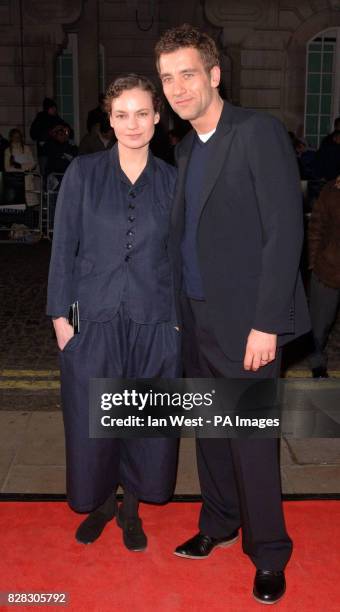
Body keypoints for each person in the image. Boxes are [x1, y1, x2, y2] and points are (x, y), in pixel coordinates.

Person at [155, 24, 310, 604]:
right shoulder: (186, 148)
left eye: (187, 74)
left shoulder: (257, 132)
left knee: (250, 440)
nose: (177, 87)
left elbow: (283, 232)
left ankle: (269, 552)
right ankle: (219, 523)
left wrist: (268, 322)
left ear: (214, 75)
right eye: (168, 78)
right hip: (195, 320)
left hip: (247, 324)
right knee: (212, 436)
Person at [46, 74, 179, 552]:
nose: (132, 123)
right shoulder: (83, 172)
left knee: (143, 421)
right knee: (92, 418)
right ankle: (102, 502)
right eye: (121, 114)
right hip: (94, 317)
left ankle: (133, 508)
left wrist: (180, 322)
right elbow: (64, 247)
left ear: (157, 117)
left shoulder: (172, 179)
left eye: (142, 113)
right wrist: (60, 318)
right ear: (110, 119)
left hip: (154, 317)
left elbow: (182, 255)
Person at [308, 176, 340, 378]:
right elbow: (316, 228)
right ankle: (317, 362)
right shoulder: (331, 192)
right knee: (320, 324)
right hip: (328, 269)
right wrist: (313, 263)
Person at [30, 98, 74, 174]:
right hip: (45, 153)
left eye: (55, 108)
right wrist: (52, 131)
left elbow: (69, 133)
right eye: (52, 108)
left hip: (57, 152)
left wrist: (66, 131)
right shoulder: (40, 119)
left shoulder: (57, 119)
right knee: (45, 176)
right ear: (48, 109)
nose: (55, 110)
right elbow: (34, 134)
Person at [4, 128, 37, 206]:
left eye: (18, 136)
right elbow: (7, 168)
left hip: (27, 179)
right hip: (15, 180)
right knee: (17, 205)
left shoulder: (27, 148)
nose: (17, 138)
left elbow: (33, 163)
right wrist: (23, 168)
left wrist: (20, 166)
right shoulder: (8, 150)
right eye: (15, 136)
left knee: (29, 205)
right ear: (11, 138)